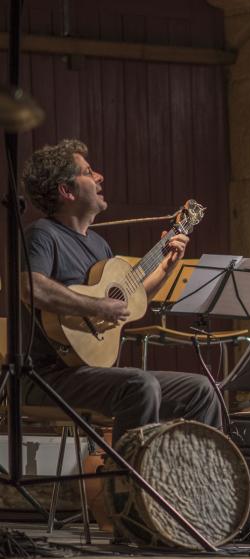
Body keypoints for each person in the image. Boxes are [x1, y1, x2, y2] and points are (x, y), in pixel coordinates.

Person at [19, 139, 222, 444]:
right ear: (66, 190)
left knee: (201, 390)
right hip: (47, 376)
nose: (99, 177)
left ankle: (195, 482)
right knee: (139, 385)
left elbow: (129, 300)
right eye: (88, 172)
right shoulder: (43, 235)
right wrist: (95, 307)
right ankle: (127, 488)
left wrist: (165, 267)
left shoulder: (99, 245)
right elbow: (30, 286)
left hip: (90, 374)